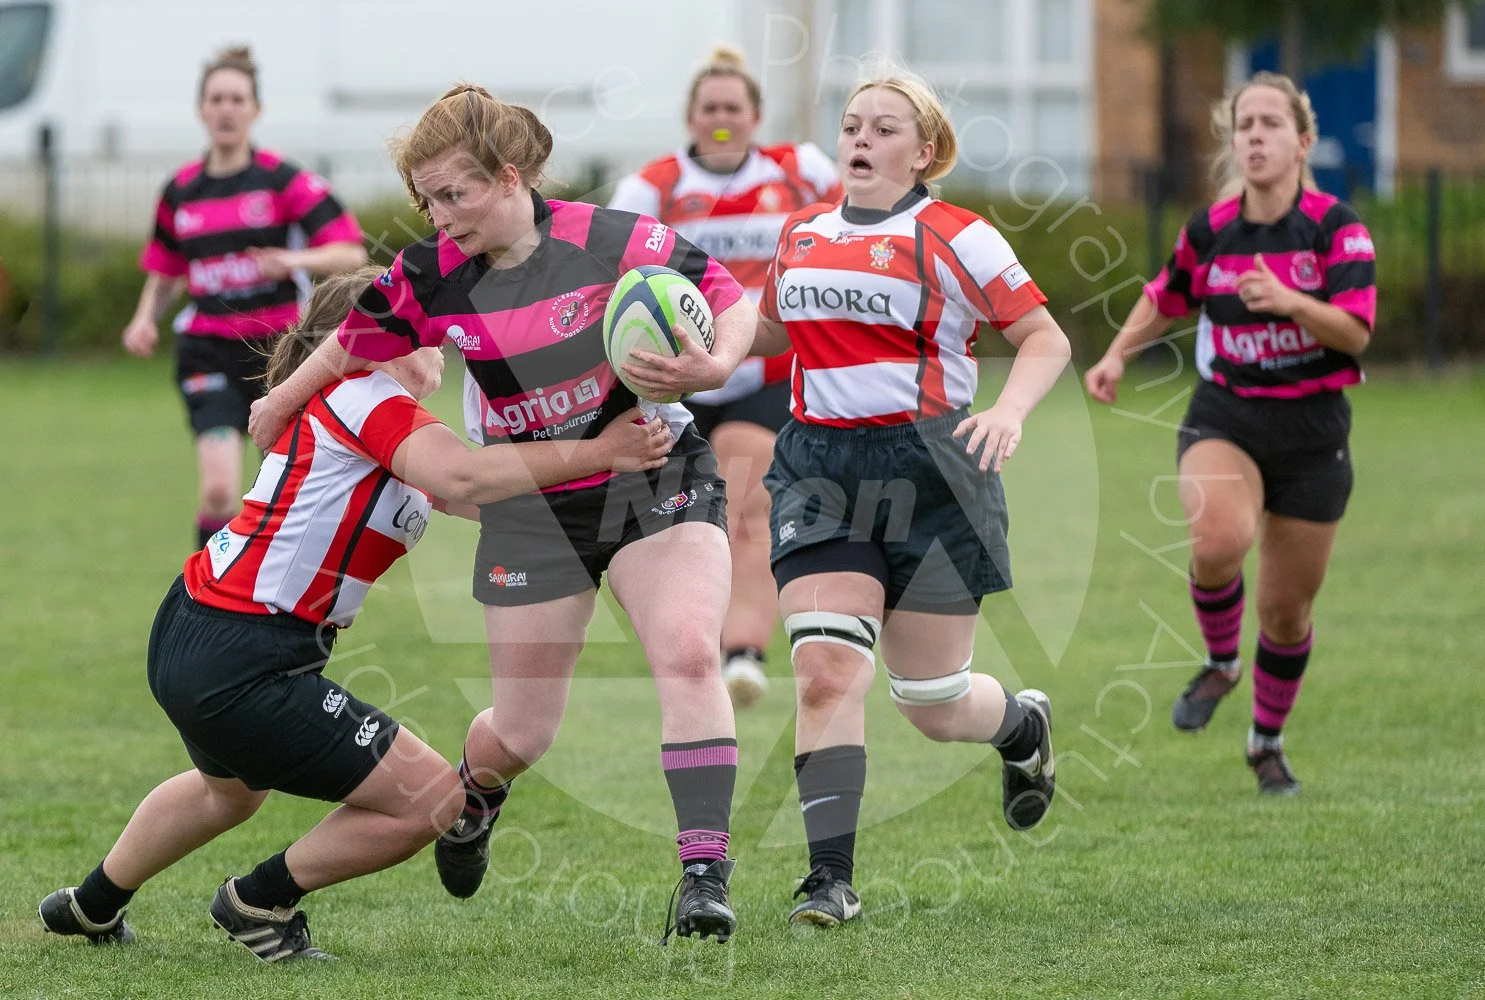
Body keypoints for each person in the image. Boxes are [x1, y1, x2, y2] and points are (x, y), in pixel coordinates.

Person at [39, 269, 675, 962]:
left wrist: (615, 488)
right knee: (435, 799)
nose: (439, 338)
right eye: (421, 326)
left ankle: (91, 905)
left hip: (199, 630)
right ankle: (258, 901)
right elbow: (465, 476)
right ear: (378, 341)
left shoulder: (364, 408)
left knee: (231, 794)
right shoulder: (366, 396)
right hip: (243, 652)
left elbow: (488, 500)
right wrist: (601, 451)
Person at [247, 84, 758, 942]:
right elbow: (351, 341)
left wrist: (713, 367)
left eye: (456, 194)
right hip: (532, 507)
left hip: (651, 470)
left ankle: (704, 874)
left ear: (510, 176)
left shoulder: (612, 239)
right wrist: (279, 402)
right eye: (429, 201)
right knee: (521, 734)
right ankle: (476, 799)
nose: (441, 217)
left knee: (687, 653)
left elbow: (730, 298)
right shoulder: (432, 273)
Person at [736, 69, 1071, 928]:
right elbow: (768, 327)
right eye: (852, 124)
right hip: (818, 468)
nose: (860, 139)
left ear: (924, 152)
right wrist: (703, 356)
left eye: (883, 128)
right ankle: (830, 880)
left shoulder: (960, 236)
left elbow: (1043, 338)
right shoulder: (802, 231)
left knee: (931, 702)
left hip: (933, 471)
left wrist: (1007, 410)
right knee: (823, 672)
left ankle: (1022, 730)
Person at [1083, 72, 1376, 795]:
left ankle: (1265, 742)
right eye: (1245, 124)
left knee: (1286, 612)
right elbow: (1165, 295)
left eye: (1272, 123)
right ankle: (1220, 663)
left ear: (1302, 141)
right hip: (1227, 416)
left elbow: (1356, 331)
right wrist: (1116, 355)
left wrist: (1291, 301)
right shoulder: (1211, 229)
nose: (1255, 136)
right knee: (1217, 542)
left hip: (1313, 435)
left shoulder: (1336, 228)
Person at [609, 46, 842, 709]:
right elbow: (607, 266)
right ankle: (692, 648)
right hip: (673, 380)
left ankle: (743, 653)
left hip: (765, 369)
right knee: (678, 523)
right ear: (691, 117)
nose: (720, 119)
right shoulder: (652, 188)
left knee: (748, 507)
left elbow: (854, 232)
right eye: (709, 108)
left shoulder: (800, 171)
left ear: (755, 116)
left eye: (732, 108)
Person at [122, 45, 366, 550]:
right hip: (207, 353)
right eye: (217, 99)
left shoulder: (283, 180)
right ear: (201, 109)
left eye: (237, 99)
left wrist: (291, 260)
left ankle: (265, 589)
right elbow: (166, 271)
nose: (226, 109)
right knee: (218, 492)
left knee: (276, 495)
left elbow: (350, 251)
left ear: (256, 110)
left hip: (279, 355)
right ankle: (206, 591)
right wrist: (144, 318)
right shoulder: (180, 191)